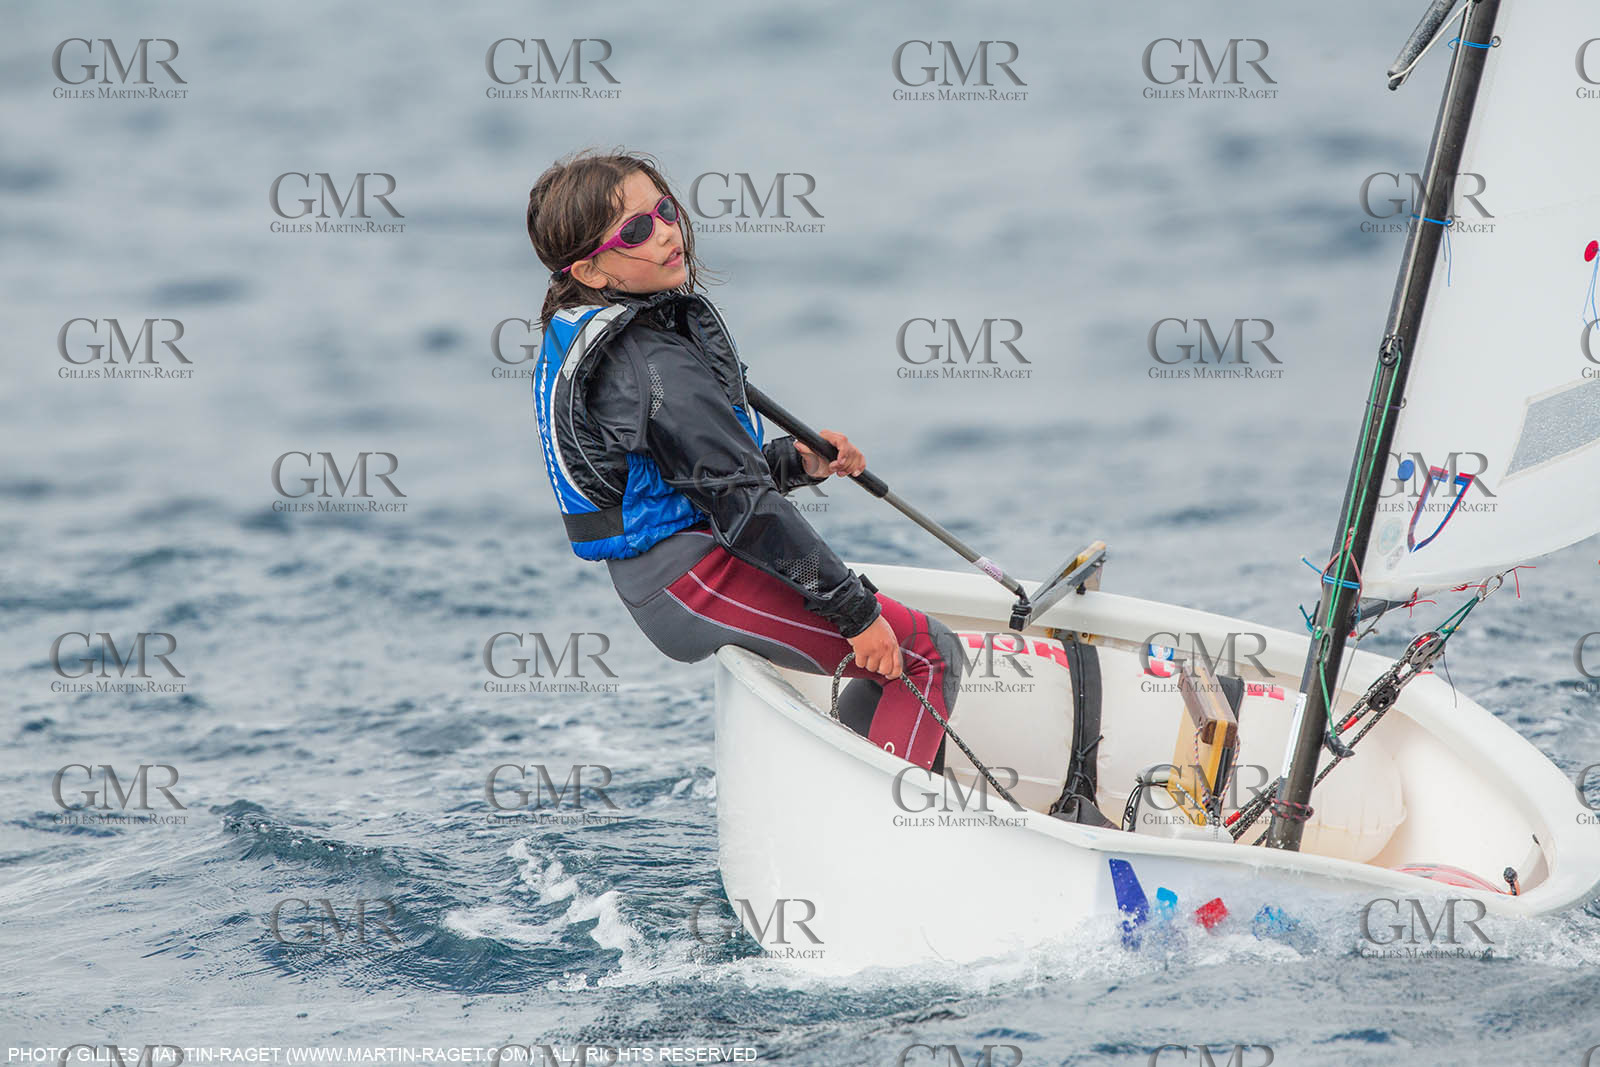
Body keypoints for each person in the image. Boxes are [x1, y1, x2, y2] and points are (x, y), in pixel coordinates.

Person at [525, 149, 963, 772]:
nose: (668, 233)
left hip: (682, 564)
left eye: (665, 210)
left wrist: (796, 462)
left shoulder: (620, 333)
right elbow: (744, 507)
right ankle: (890, 836)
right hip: (693, 580)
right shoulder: (652, 363)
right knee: (926, 654)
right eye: (637, 231)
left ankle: (853, 783)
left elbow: (699, 475)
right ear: (592, 271)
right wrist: (854, 610)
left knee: (897, 652)